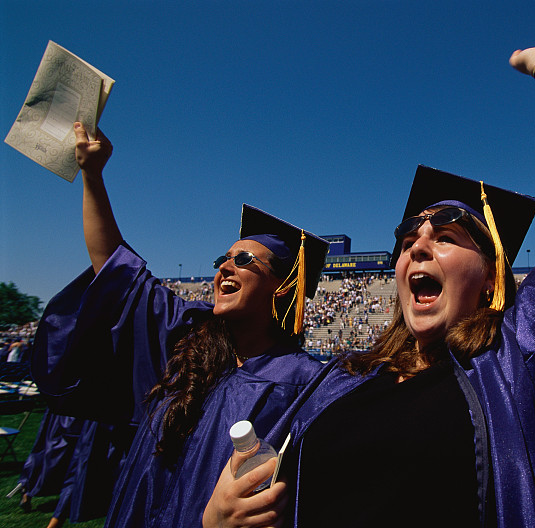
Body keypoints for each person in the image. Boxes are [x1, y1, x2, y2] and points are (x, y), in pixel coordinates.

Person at [204, 35, 535, 527]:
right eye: (407, 240)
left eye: (446, 235)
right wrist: (222, 518)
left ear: (491, 272)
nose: (418, 245)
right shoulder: (341, 378)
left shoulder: (519, 363)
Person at [30, 122, 329, 527]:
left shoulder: (306, 385)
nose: (224, 265)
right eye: (222, 259)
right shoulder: (186, 341)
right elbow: (118, 274)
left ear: (283, 287)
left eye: (243, 260)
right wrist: (93, 176)